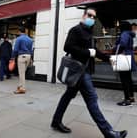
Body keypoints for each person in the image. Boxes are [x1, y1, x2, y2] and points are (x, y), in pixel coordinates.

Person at [51, 8, 127, 138]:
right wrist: (87, 52)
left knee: (67, 96)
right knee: (92, 99)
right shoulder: (76, 30)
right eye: (89, 15)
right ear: (84, 15)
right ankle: (108, 132)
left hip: (82, 71)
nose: (92, 18)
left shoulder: (89, 32)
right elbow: (67, 47)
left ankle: (56, 121)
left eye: (94, 17)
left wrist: (110, 59)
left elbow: (95, 51)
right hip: (79, 72)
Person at [112, 21, 136, 106]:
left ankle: (127, 100)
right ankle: (131, 97)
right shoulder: (129, 34)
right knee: (128, 79)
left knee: (124, 80)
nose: (119, 27)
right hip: (129, 57)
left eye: (120, 26)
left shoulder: (124, 34)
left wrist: (114, 49)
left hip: (123, 57)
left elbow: (122, 44)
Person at [12, 26, 33, 94]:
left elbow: (15, 50)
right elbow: (31, 50)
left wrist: (12, 57)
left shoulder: (19, 39)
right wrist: (31, 58)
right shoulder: (30, 39)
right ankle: (20, 85)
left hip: (22, 56)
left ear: (19, 31)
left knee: (21, 73)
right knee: (23, 72)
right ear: (25, 31)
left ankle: (22, 89)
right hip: (28, 56)